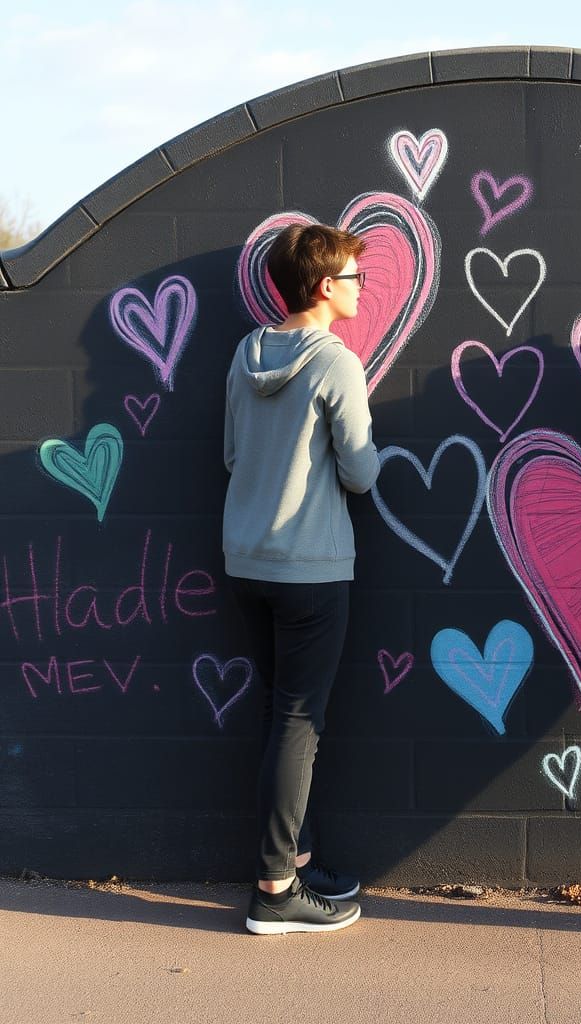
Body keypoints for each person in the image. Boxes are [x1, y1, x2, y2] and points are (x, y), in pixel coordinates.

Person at [222, 223, 381, 935]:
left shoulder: (245, 352)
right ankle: (276, 889)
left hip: (248, 561)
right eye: (354, 278)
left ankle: (296, 857)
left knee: (281, 717)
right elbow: (360, 472)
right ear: (324, 287)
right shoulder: (336, 362)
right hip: (310, 569)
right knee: (299, 720)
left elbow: (232, 456)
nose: (361, 289)